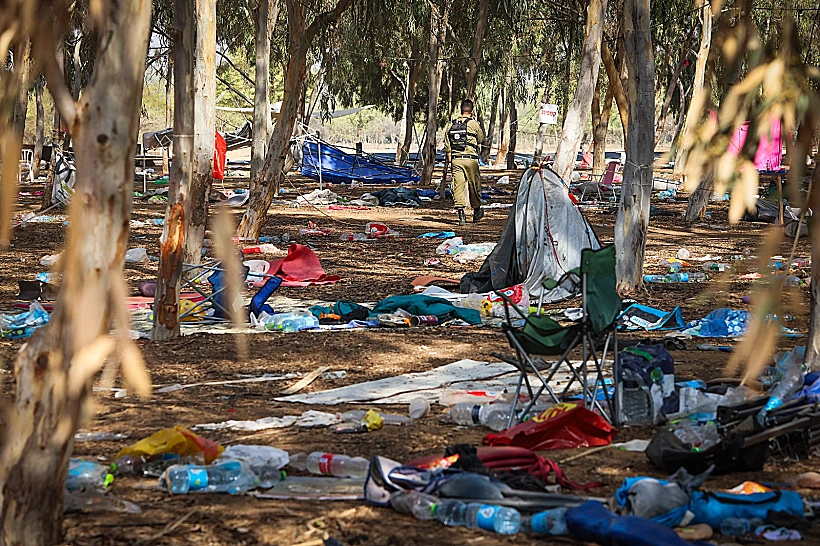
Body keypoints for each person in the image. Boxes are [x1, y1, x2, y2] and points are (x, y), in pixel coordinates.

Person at [443, 100, 485, 225]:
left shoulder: (451, 124)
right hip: (470, 160)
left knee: (458, 187)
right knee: (474, 185)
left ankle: (461, 214)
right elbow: (481, 139)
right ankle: (476, 211)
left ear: (461, 110)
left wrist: (451, 161)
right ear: (471, 111)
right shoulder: (473, 123)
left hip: (456, 160)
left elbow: (447, 146)